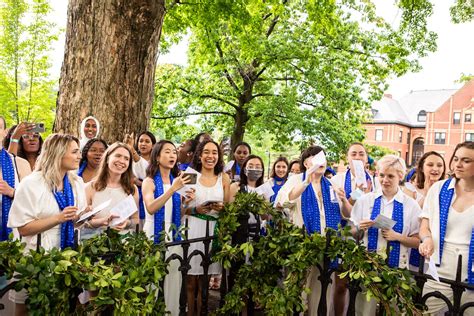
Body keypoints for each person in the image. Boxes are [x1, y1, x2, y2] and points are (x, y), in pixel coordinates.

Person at [7, 134, 87, 315]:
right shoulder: (31, 183)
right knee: (27, 310)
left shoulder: (76, 183)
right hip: (36, 257)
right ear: (58, 153)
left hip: (67, 257)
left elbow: (75, 219)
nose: (79, 156)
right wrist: (58, 218)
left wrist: (85, 217)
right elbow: (24, 228)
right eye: (74, 152)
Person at [277, 146, 347, 314]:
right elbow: (283, 202)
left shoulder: (331, 184)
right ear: (306, 163)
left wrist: (344, 200)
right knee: (299, 293)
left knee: (321, 293)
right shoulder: (296, 180)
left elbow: (343, 215)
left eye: (322, 157)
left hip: (327, 248)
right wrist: (306, 181)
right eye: (315, 157)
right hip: (303, 248)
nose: (320, 161)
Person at [351, 155, 420, 315]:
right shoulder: (365, 200)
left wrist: (397, 236)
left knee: (394, 311)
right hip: (368, 269)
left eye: (390, 176)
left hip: (398, 269)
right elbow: (351, 234)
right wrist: (360, 228)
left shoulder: (410, 205)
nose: (385, 180)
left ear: (400, 176)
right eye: (381, 175)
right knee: (364, 311)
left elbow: (417, 241)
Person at [418, 141, 474, 314]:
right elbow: (424, 226)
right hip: (440, 267)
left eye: (466, 160)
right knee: (426, 311)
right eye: (456, 158)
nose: (458, 164)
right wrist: (426, 239)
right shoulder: (439, 189)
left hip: (471, 269)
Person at [142, 140, 194, 315]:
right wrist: (172, 190)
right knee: (151, 281)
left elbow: (176, 214)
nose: (172, 155)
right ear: (157, 157)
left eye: (174, 152)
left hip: (173, 234)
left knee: (173, 279)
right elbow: (150, 207)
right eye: (167, 152)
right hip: (152, 235)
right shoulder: (149, 182)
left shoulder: (176, 182)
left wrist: (186, 203)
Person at [186, 140, 230, 315]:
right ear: (199, 155)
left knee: (205, 282)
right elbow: (180, 209)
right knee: (191, 281)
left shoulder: (223, 178)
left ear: (218, 156)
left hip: (213, 231)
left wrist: (223, 208)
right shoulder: (189, 176)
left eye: (214, 152)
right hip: (193, 228)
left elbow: (229, 209)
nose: (210, 156)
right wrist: (194, 208)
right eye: (206, 152)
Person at [81, 142, 139, 240]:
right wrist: (101, 222)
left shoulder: (132, 189)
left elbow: (136, 220)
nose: (122, 161)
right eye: (118, 156)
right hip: (95, 244)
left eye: (126, 158)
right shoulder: (90, 187)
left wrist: (127, 223)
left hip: (124, 245)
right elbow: (82, 223)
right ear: (107, 158)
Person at [1, 126, 31, 241]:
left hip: (13, 232)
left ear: (4, 132)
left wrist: (12, 192)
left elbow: (31, 198)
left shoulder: (19, 163)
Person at [124, 131, 157, 227]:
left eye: (147, 141)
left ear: (153, 145)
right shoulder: (129, 159)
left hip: (149, 199)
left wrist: (141, 183)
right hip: (131, 196)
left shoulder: (156, 163)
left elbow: (145, 172)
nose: (143, 144)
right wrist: (132, 180)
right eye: (140, 141)